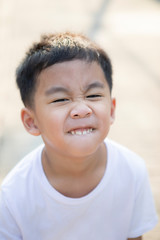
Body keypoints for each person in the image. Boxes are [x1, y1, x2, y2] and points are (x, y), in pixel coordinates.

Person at [0, 32, 158, 240]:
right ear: (31, 121)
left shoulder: (131, 172)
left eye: (93, 95)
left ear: (111, 110)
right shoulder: (13, 197)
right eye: (60, 99)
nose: (82, 109)